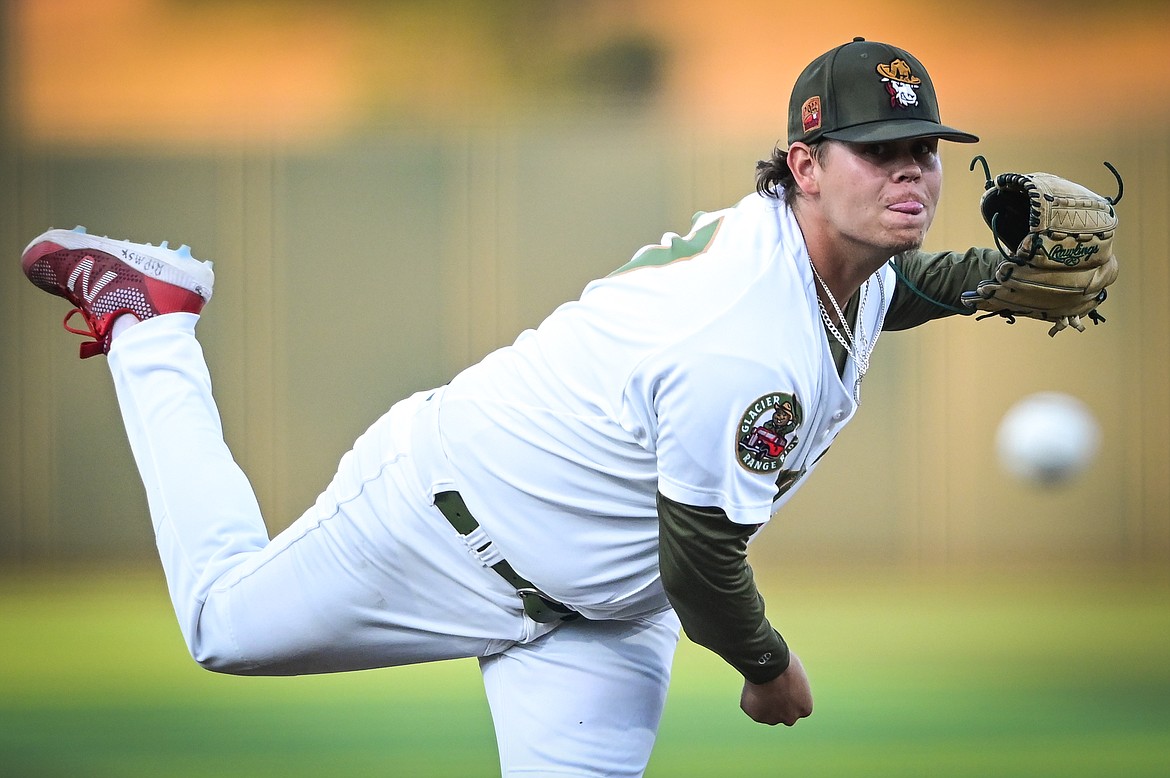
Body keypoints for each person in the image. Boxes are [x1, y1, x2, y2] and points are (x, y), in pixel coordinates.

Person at [23, 38, 1030, 776]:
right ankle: (153, 319)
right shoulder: (740, 331)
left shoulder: (834, 258)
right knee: (219, 624)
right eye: (878, 149)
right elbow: (704, 565)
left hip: (600, 618)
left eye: (923, 147)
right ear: (805, 168)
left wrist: (1002, 273)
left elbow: (907, 287)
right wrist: (767, 666)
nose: (910, 169)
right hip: (443, 523)